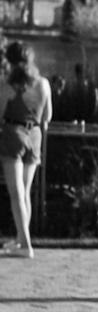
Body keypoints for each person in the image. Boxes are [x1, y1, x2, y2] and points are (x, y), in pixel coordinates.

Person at [1, 42, 51, 259]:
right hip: (35, 135)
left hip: (13, 133)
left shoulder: (7, 86)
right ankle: (22, 239)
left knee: (16, 193)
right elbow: (47, 117)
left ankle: (25, 246)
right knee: (25, 192)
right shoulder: (43, 84)